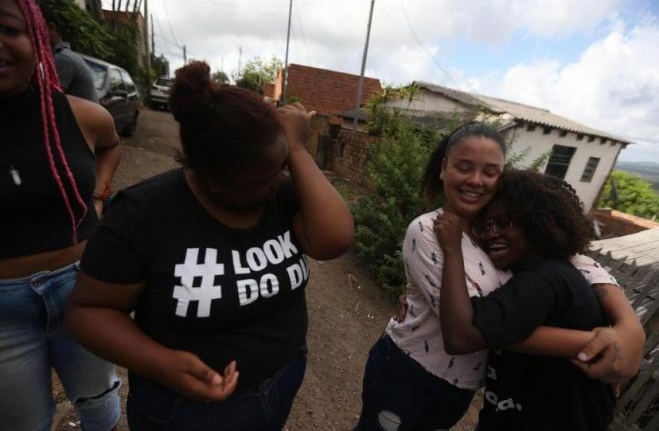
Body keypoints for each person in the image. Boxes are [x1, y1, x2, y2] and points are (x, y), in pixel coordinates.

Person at [65, 61, 355, 431]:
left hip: (281, 382)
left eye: (283, 167)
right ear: (212, 180)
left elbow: (335, 239)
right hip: (185, 411)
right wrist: (163, 364)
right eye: (266, 178)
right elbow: (89, 313)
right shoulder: (144, 214)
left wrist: (297, 150)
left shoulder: (279, 190)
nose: (279, 181)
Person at [353, 123, 644, 431]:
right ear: (444, 168)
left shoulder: (502, 231)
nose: (475, 180)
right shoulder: (430, 231)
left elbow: (577, 264)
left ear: (500, 178)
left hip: (462, 385)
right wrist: (596, 343)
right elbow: (467, 331)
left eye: (490, 172)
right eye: (464, 167)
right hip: (412, 371)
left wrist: (630, 329)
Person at [0, 0, 122, 430]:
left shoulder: (79, 115)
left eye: (9, 30)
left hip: (82, 288)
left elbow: (111, 146)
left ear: (36, 37)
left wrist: (99, 197)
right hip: (4, 314)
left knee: (101, 408)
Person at [434, 169, 617, 430]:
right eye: (482, 227)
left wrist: (452, 249)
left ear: (538, 223)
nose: (490, 234)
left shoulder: (545, 279)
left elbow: (460, 337)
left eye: (503, 223)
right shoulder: (545, 275)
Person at [39, 4, 98, 102]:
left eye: (35, 29)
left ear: (51, 28)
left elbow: (47, 102)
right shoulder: (64, 56)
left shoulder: (63, 59)